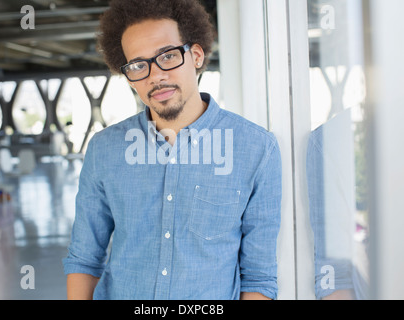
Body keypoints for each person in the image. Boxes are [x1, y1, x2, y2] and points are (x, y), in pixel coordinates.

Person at [63, 0, 282, 300]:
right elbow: (84, 258)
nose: (155, 76)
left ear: (196, 55)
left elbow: (258, 277)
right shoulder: (104, 151)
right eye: (138, 65)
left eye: (167, 56)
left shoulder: (257, 150)